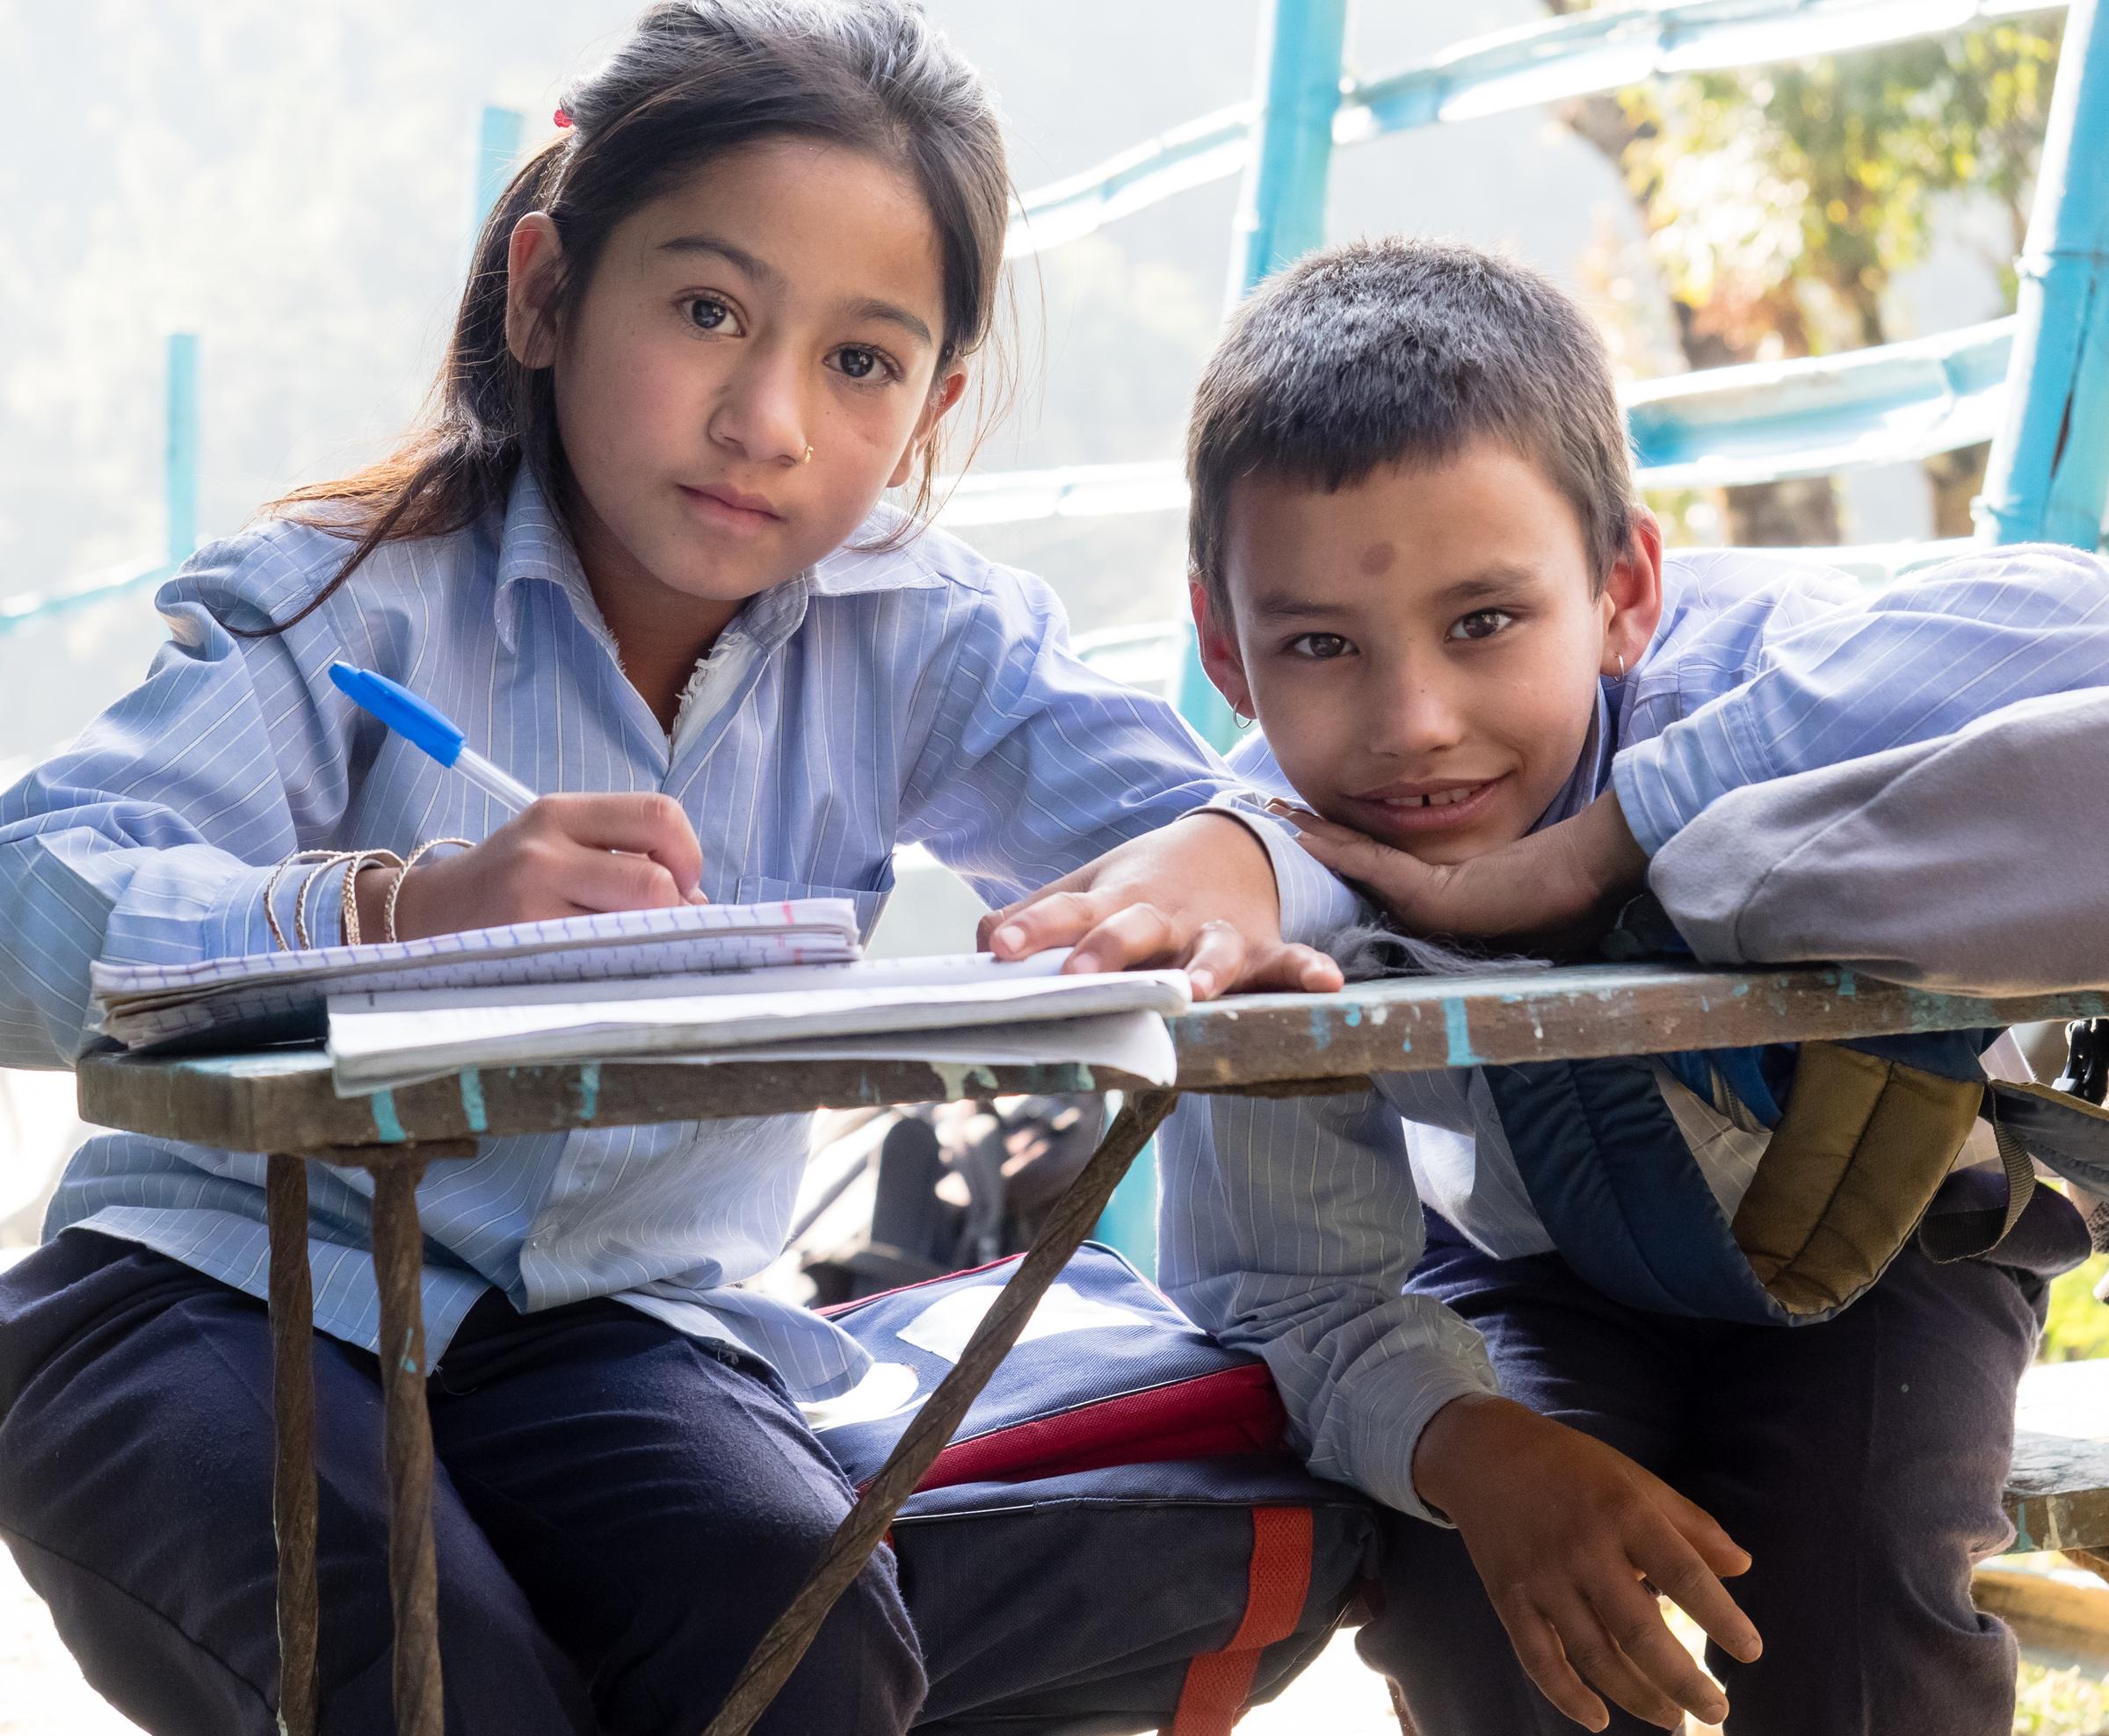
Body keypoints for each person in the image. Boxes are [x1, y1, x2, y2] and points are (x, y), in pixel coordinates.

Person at [0, 8, 1349, 1732]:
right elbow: (26, 892)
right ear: (547, 292)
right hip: (216, 1290)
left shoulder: (921, 638)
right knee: (424, 1672)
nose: (767, 418)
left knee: (800, 1640)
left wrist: (1230, 858)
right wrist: (396, 909)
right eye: (707, 310)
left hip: (613, 1326)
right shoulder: (342, 593)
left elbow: (1252, 828)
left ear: (930, 407)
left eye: (861, 362)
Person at [1155, 235, 2109, 1735]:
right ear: (1225, 647)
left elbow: (2082, 624)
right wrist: (1478, 1451)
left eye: (1487, 624)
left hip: (1897, 1247)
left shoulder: (1746, 678)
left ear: (1623, 589)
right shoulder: (1264, 889)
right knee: (1483, 1594)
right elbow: (1288, 1292)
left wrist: (1624, 827)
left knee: (1852, 1606)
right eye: (1320, 645)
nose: (1414, 723)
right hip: (1528, 1270)